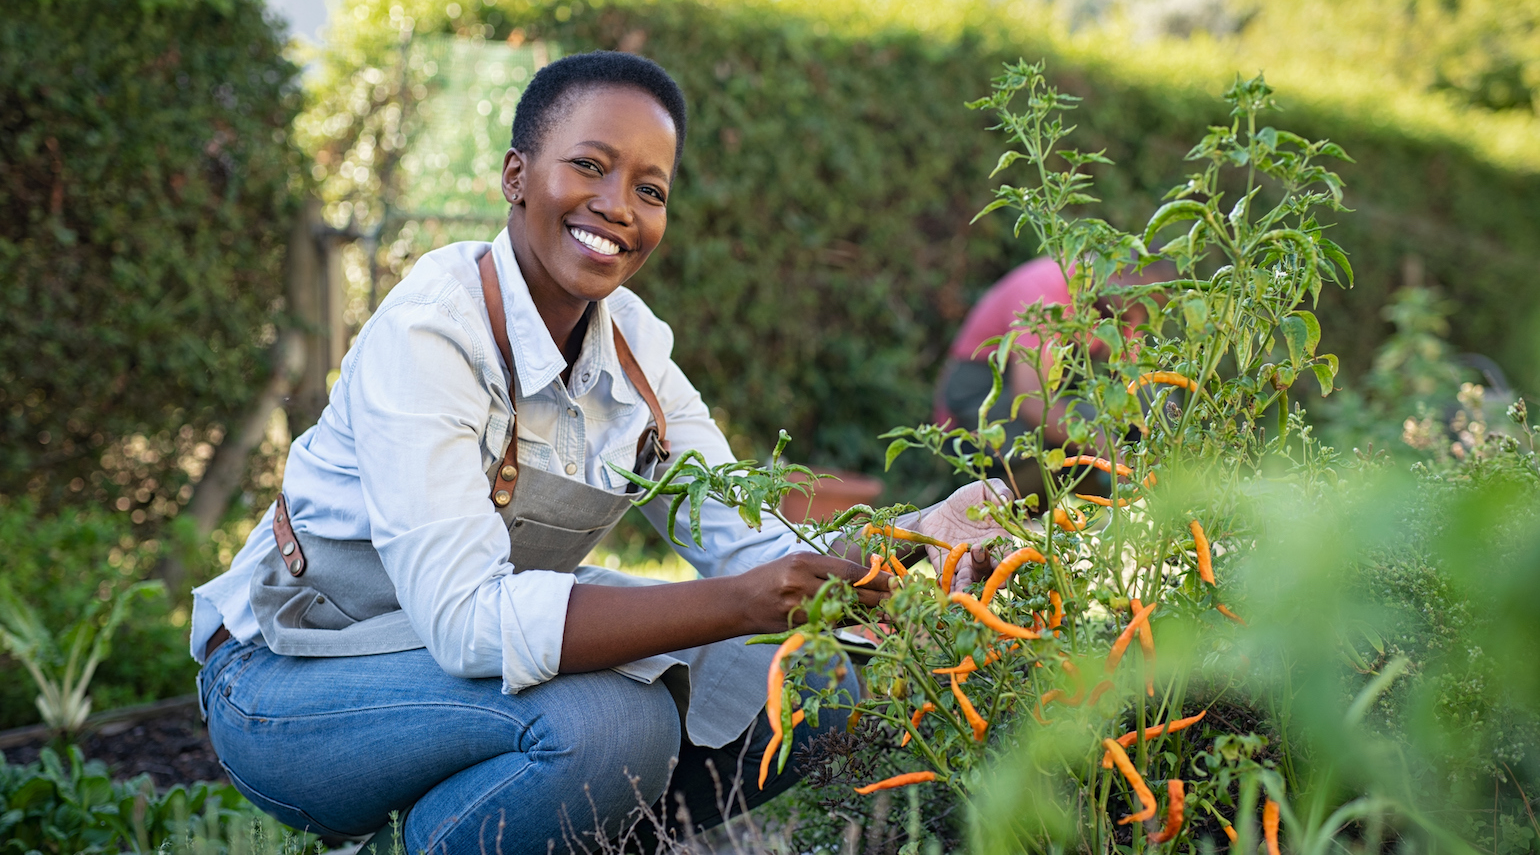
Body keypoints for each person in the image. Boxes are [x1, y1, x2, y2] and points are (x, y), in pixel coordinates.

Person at [192, 51, 1005, 855]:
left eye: (650, 190)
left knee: (815, 679)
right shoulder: (431, 335)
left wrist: (916, 540)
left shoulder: (638, 355)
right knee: (615, 725)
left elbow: (753, 542)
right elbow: (467, 622)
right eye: (589, 166)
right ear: (516, 175)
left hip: (449, 673)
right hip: (291, 680)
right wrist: (745, 603)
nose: (619, 207)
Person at [932, 257, 1172, 492]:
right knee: (1090, 424)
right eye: (1138, 302)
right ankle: (1002, 501)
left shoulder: (1122, 306)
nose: (1138, 313)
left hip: (1044, 397)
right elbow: (1032, 401)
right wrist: (1108, 449)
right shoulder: (1046, 292)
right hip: (979, 402)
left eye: (1149, 306)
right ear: (1115, 272)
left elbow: (1138, 379)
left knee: (1158, 399)